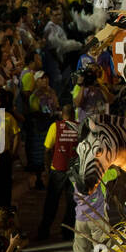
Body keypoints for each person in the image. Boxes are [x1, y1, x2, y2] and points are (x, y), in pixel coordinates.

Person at [38, 102, 80, 242]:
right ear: (74, 115)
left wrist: (46, 169)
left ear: (62, 114)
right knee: (72, 203)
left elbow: (47, 149)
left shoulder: (55, 126)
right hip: (74, 171)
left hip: (57, 170)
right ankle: (67, 232)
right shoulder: (80, 127)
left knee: (52, 202)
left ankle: (44, 231)